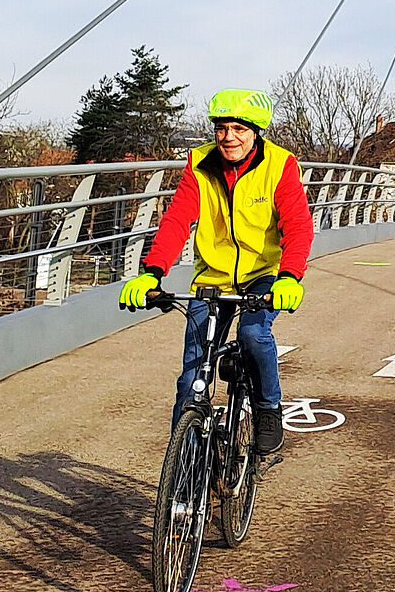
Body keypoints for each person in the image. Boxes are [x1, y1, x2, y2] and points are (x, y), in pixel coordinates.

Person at [118, 88, 313, 454]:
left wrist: (290, 276)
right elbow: (178, 219)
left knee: (254, 335)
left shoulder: (280, 164)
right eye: (222, 127)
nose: (228, 137)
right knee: (192, 374)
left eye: (239, 128)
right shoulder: (199, 164)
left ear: (255, 131)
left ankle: (268, 407)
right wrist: (152, 271)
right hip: (212, 278)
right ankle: (185, 466)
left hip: (263, 275)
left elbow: (298, 225)